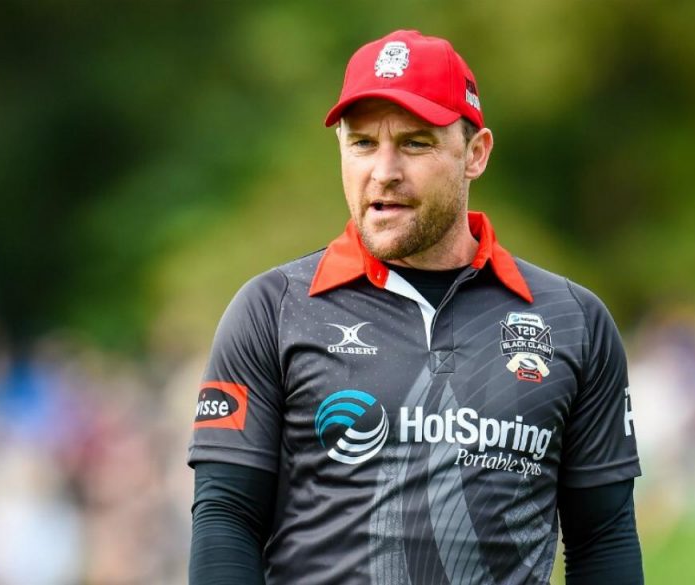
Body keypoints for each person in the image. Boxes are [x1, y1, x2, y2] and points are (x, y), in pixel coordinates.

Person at [188, 29, 643, 584]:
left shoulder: (574, 319)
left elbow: (603, 538)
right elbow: (226, 520)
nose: (383, 171)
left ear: (475, 154)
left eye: (415, 143)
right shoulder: (272, 309)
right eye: (362, 144)